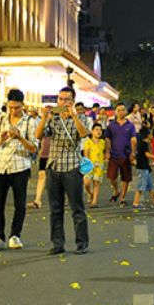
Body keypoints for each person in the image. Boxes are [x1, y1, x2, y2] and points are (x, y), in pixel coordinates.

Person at [36, 86, 90, 255]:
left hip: (72, 168)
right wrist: (44, 118)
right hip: (53, 168)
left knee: (77, 208)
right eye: (60, 99)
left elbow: (83, 134)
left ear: (72, 101)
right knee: (55, 208)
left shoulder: (81, 118)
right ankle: (57, 243)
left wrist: (73, 116)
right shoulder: (53, 119)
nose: (62, 102)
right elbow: (38, 135)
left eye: (66, 99)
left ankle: (82, 243)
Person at [0, 88, 38, 251]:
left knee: (19, 204)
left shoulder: (30, 122)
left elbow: (34, 148)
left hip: (20, 166)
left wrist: (20, 137)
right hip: (1, 167)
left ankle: (15, 235)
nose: (14, 111)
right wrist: (1, 139)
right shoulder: (0, 121)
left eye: (17, 107)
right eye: (11, 107)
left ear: (23, 105)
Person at [105, 103, 137, 205]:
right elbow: (107, 139)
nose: (120, 112)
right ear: (115, 112)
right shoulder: (111, 125)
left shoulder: (130, 125)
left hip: (126, 155)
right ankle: (116, 191)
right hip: (114, 155)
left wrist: (133, 152)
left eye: (122, 110)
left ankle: (122, 197)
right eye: (118, 110)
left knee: (125, 177)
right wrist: (107, 151)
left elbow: (133, 139)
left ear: (126, 111)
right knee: (112, 177)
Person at [133, 128, 154, 207]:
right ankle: (136, 202)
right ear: (147, 135)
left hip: (144, 166)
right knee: (141, 185)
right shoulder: (143, 144)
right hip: (142, 167)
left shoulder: (142, 143)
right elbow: (147, 154)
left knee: (150, 185)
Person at [82, 123, 107, 207]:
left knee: (96, 183)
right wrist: (88, 164)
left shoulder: (103, 142)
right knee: (86, 183)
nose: (98, 132)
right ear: (92, 131)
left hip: (99, 165)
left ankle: (94, 201)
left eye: (100, 130)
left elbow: (105, 152)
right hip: (89, 165)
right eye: (96, 129)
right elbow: (86, 153)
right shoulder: (88, 142)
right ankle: (90, 193)